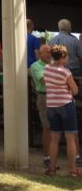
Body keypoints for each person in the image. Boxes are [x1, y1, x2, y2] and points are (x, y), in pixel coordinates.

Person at [44, 45, 81, 177]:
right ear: (63, 57)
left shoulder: (46, 69)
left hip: (51, 106)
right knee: (70, 138)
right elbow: (75, 90)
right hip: (66, 105)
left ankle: (52, 169)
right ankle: (73, 170)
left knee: (54, 139)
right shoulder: (66, 72)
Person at [30, 44, 53, 167]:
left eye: (50, 52)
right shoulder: (35, 66)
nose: (49, 54)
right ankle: (47, 156)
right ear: (40, 54)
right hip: (44, 97)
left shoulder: (54, 64)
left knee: (59, 127)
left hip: (56, 96)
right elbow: (43, 80)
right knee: (47, 127)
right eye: (46, 52)